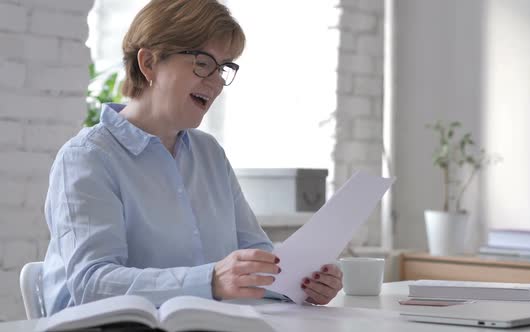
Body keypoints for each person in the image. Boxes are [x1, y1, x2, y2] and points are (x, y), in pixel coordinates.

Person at [42, 0, 342, 315]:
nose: (216, 82)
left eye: (224, 66)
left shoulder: (209, 153)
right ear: (149, 63)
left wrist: (301, 281)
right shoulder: (87, 157)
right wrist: (210, 280)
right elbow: (91, 284)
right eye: (202, 62)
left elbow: (257, 257)